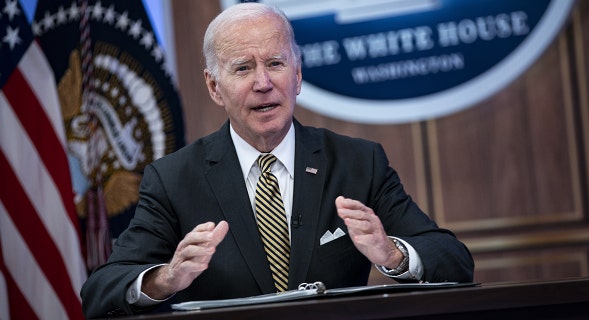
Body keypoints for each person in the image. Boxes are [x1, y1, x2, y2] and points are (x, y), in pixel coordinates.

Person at [80, 2, 474, 318]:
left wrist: (393, 254)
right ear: (215, 87)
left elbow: (454, 261)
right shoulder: (173, 179)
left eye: (275, 63)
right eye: (243, 68)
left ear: (297, 75)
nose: (263, 82)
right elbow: (100, 291)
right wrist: (165, 279)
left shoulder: (358, 162)